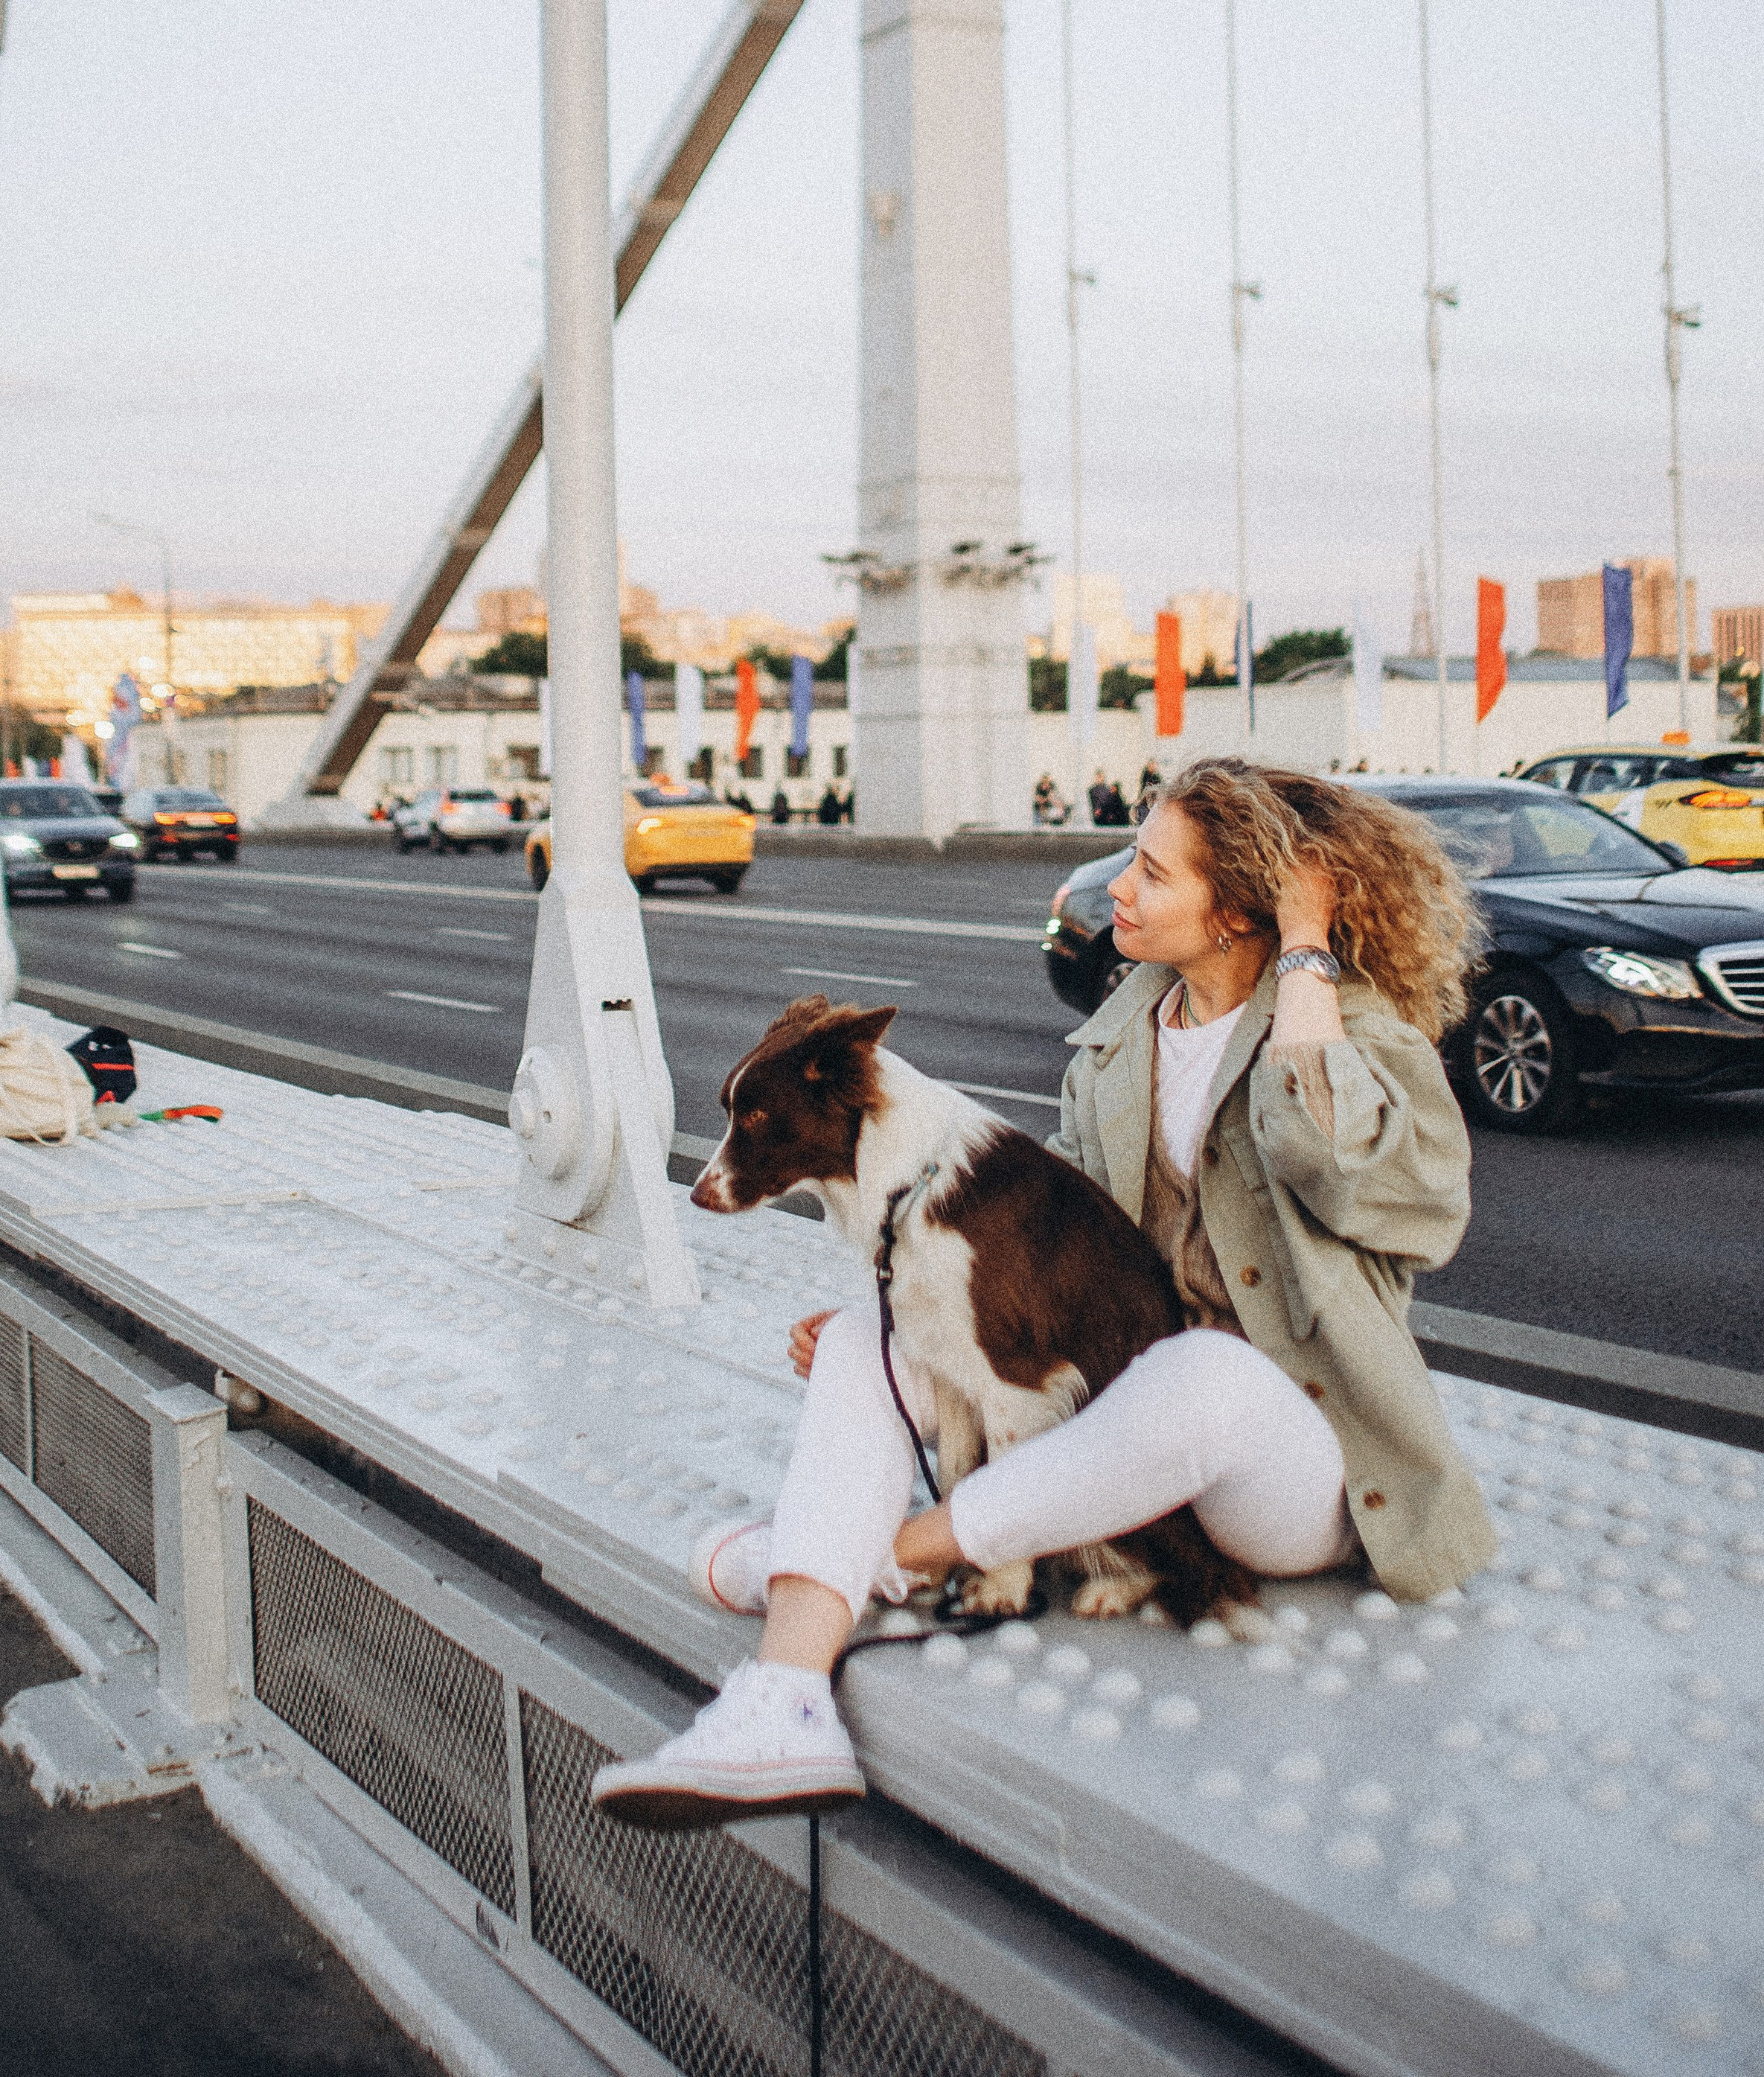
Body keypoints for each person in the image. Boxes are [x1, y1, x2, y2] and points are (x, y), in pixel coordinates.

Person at [592, 758, 1496, 1825]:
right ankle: (785, 1701)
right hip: (1122, 1406)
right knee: (866, 1344)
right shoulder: (1120, 1042)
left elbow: (1360, 1179)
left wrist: (1304, 961)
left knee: (1202, 1372)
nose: (1117, 886)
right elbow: (1048, 1241)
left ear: (1237, 912)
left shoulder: (1357, 1035)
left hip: (1292, 1462)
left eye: (1152, 873)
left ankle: (865, 1555)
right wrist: (912, 1313)